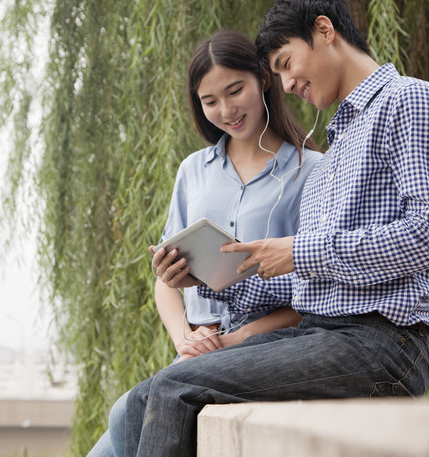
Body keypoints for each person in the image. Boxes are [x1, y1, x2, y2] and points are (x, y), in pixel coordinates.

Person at [125, 0, 429, 455]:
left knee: (173, 388)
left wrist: (298, 252)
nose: (284, 84)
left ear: (324, 31)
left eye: (286, 63)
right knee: (147, 393)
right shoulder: (339, 144)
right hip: (321, 333)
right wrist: (207, 277)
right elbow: (308, 283)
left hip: (384, 343)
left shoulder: (410, 101)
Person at [87, 30, 322, 456]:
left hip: (265, 345)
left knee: (124, 415)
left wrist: (241, 336)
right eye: (209, 101)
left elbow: (316, 289)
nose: (226, 110)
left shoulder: (312, 172)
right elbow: (166, 281)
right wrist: (185, 337)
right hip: (199, 349)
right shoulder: (193, 171)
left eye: (235, 91)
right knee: (118, 424)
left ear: (263, 81)